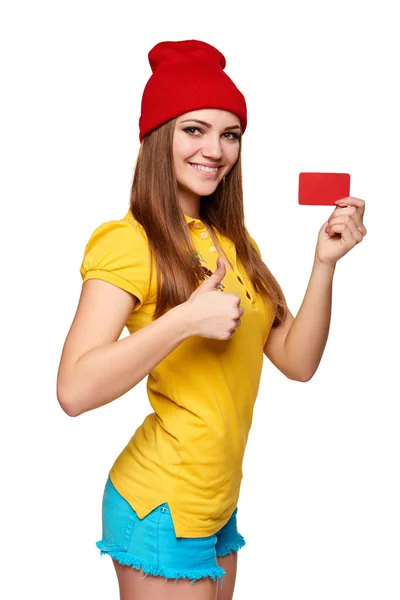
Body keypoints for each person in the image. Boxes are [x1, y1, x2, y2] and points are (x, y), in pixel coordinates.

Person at [56, 39, 367, 600]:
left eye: (230, 134)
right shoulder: (130, 242)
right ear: (158, 138)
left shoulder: (233, 244)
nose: (215, 150)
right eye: (194, 129)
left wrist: (323, 264)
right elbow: (74, 390)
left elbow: (296, 362)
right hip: (161, 504)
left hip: (217, 501)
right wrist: (183, 321)